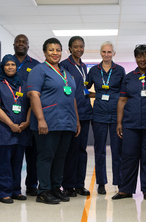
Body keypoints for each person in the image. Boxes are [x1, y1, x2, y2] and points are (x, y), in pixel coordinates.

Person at [27, 38, 80, 204]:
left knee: (60, 157)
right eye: (51, 50)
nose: (55, 53)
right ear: (44, 52)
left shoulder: (65, 73)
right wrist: (41, 119)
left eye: (58, 50)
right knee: (46, 156)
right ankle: (44, 190)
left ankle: (56, 187)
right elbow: (33, 95)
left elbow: (72, 98)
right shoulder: (39, 70)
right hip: (48, 123)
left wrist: (76, 121)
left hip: (66, 122)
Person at [111, 44, 146, 201]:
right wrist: (119, 123)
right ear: (135, 58)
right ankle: (125, 189)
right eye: (139, 56)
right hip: (130, 124)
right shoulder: (129, 77)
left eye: (145, 55)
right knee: (129, 157)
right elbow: (122, 100)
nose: (142, 59)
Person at [0, 55, 31, 204]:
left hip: (21, 130)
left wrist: (26, 122)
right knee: (4, 162)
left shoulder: (23, 85)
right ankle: (4, 192)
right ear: (3, 67)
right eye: (7, 65)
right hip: (3, 131)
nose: (10, 67)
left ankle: (16, 190)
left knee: (18, 162)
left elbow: (31, 105)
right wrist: (11, 124)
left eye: (13, 64)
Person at [87, 41, 125, 194]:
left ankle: (119, 182)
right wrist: (97, 95)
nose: (107, 55)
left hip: (116, 114)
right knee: (99, 150)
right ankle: (101, 183)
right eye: (104, 52)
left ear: (114, 53)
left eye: (109, 52)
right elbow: (85, 87)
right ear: (100, 53)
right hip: (99, 114)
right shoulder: (94, 71)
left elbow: (124, 94)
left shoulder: (120, 70)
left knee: (117, 151)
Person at [60, 36, 92, 197]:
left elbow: (82, 88)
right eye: (75, 47)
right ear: (70, 48)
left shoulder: (84, 66)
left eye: (81, 46)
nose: (79, 49)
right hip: (72, 114)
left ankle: (80, 184)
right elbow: (66, 91)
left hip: (85, 113)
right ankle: (68, 185)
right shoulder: (64, 65)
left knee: (82, 151)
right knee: (70, 151)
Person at [12, 34, 40, 197]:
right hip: (12, 117)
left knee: (33, 155)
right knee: (14, 156)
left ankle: (31, 185)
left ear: (28, 46)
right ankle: (14, 186)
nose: (21, 44)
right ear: (14, 44)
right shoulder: (7, 62)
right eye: (18, 42)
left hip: (32, 116)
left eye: (24, 42)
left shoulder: (35, 65)